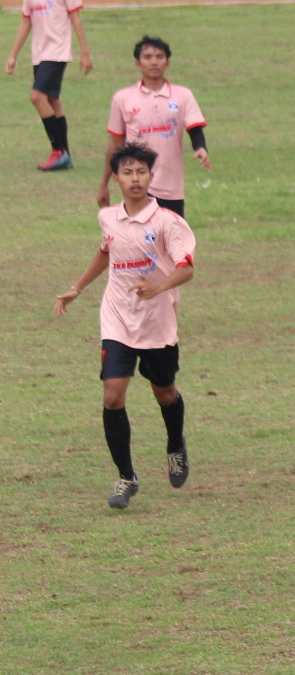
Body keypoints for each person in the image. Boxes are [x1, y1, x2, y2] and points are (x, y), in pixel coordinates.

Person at [54, 142, 196, 510]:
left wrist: (157, 287)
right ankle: (126, 477)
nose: (135, 179)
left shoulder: (168, 222)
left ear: (151, 177)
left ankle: (175, 445)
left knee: (165, 393)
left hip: (157, 321)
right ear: (116, 179)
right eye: (128, 173)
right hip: (116, 318)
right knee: (112, 395)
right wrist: (76, 288)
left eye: (142, 172)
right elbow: (106, 252)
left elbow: (187, 267)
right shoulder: (108, 218)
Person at [100, 35, 207, 216]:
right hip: (137, 184)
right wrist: (104, 184)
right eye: (147, 57)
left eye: (159, 57)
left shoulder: (183, 95)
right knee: (141, 238)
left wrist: (200, 148)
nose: (154, 62)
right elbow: (116, 143)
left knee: (170, 240)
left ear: (168, 63)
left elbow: (194, 127)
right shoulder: (123, 98)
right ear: (138, 63)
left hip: (171, 186)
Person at [6, 0, 90, 171]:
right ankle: (65, 156)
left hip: (57, 52)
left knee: (37, 97)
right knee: (52, 100)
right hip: (39, 54)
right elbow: (26, 22)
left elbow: (76, 17)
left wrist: (85, 53)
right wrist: (13, 55)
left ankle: (58, 151)